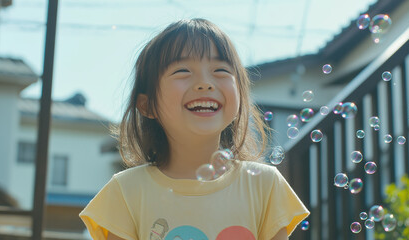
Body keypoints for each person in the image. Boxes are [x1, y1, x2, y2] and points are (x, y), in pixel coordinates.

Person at [79, 18, 309, 240]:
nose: (205, 82)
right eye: (182, 71)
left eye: (221, 70)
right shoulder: (125, 191)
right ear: (147, 105)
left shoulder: (265, 186)